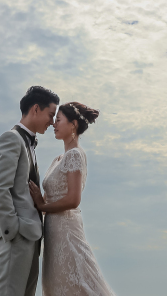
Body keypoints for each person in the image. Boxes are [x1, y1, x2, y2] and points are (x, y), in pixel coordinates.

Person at [28, 102, 117, 296]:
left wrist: (42, 204)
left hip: (67, 231)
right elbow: (49, 198)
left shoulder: (75, 155)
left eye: (58, 120)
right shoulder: (58, 159)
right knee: (58, 284)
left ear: (73, 124)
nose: (54, 124)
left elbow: (73, 199)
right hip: (53, 232)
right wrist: (38, 203)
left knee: (77, 281)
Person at [0, 86, 59, 296]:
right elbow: (0, 188)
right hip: (15, 238)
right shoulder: (11, 138)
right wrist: (13, 230)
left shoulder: (29, 144)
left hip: (30, 239)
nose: (52, 122)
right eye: (51, 114)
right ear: (36, 109)